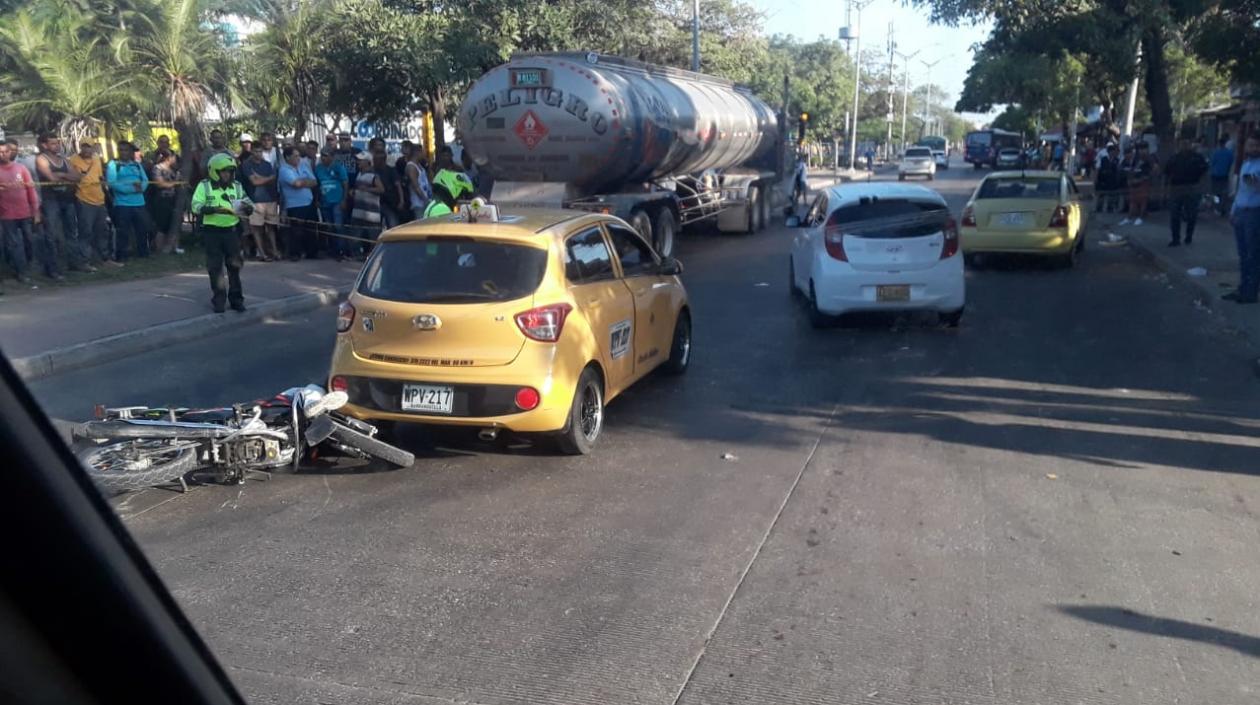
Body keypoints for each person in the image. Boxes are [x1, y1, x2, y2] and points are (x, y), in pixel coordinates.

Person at [190, 153, 253, 313]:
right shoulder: (204, 186)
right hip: (212, 233)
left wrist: (247, 208)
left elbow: (247, 202)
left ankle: (236, 300)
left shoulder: (236, 186)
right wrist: (210, 209)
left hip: (232, 232)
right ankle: (219, 300)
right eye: (224, 171)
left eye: (230, 171)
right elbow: (195, 205)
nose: (227, 174)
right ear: (215, 172)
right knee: (215, 268)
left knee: (235, 267)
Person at [34, 132, 83, 275]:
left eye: (57, 143)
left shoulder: (64, 160)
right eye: (53, 143)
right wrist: (66, 177)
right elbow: (51, 178)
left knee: (71, 233)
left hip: (67, 199)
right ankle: (53, 269)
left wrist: (62, 175)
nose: (57, 146)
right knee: (51, 234)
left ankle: (74, 263)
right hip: (50, 201)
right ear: (45, 145)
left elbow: (78, 177)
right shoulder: (41, 159)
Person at [69, 140, 120, 268]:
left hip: (99, 199)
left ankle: (104, 259)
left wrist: (105, 186)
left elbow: (100, 176)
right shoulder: (73, 160)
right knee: (85, 231)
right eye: (84, 146)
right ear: (81, 147)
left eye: (89, 147)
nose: (87, 149)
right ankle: (84, 261)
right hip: (83, 199)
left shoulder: (96, 159)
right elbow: (73, 178)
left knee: (103, 230)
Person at [0, 140, 43, 288]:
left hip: (25, 213)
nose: (3, 154)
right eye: (0, 152)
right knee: (14, 245)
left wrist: (36, 211)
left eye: (5, 151)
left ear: (10, 152)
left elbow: (31, 190)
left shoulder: (21, 168)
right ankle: (21, 272)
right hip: (6, 215)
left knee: (29, 241)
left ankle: (29, 265)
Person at [1223, 135, 1260, 304]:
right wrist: (1233, 210)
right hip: (1241, 211)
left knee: (1253, 254)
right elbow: (1241, 190)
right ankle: (1243, 288)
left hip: (1255, 213)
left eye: (1256, 145)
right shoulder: (1245, 164)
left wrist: (1256, 183)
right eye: (1250, 145)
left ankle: (1251, 292)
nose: (1253, 148)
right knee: (1243, 253)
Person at [106, 141, 151, 260]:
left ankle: (143, 254)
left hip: (139, 203)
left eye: (126, 150)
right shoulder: (113, 164)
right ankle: (121, 255)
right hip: (122, 204)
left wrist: (141, 188)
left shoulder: (136, 165)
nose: (123, 152)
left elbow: (145, 180)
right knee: (122, 231)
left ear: (130, 152)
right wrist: (131, 189)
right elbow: (112, 183)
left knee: (142, 229)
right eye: (121, 150)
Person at [240, 142, 281, 261]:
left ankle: (274, 251)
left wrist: (261, 178)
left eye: (260, 151)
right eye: (256, 151)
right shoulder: (246, 165)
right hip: (255, 200)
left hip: (270, 198)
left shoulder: (267, 164)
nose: (258, 154)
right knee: (256, 228)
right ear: (251, 151)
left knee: (271, 227)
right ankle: (262, 253)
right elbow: (254, 182)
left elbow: (273, 179)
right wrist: (267, 178)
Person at [1164, 138, 1209, 247]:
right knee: (1175, 214)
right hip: (1178, 188)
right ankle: (1176, 238)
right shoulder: (1175, 158)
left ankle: (1188, 236)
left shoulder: (1197, 158)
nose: (1184, 146)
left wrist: (1200, 184)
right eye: (1182, 144)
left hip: (1191, 187)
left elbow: (1205, 170)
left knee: (1191, 214)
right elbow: (1167, 171)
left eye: (1186, 144)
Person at [278, 145, 319, 261]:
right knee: (296, 231)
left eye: (299, 156)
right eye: (295, 156)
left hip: (309, 202)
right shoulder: (284, 170)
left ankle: (312, 253)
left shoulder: (303, 166)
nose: (298, 158)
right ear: (287, 157)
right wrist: (305, 182)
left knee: (311, 229)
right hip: (295, 204)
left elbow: (314, 182)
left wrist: (302, 182)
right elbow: (296, 184)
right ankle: (295, 253)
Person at [314, 146, 350, 260]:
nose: (323, 158)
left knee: (338, 226)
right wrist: (317, 200)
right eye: (322, 155)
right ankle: (332, 249)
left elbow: (345, 184)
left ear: (332, 156)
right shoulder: (318, 168)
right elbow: (317, 185)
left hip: (337, 201)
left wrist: (344, 200)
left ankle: (341, 250)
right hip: (325, 202)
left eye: (326, 156)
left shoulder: (339, 167)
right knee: (329, 227)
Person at [147, 148, 182, 253]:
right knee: (162, 225)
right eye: (173, 157)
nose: (175, 159)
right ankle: (159, 248)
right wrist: (174, 183)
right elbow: (159, 183)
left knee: (173, 224)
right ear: (168, 158)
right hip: (162, 200)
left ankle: (173, 247)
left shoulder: (173, 169)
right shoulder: (157, 168)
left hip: (173, 200)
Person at [350, 151, 384, 254]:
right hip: (358, 211)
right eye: (358, 160)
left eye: (361, 160)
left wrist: (367, 189)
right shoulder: (359, 174)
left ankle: (373, 255)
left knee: (373, 236)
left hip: (371, 212)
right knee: (355, 235)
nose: (358, 162)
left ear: (368, 162)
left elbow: (381, 189)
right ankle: (357, 254)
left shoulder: (373, 175)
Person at [1119, 143, 1153, 226]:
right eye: (1140, 149)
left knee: (1143, 201)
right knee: (1132, 201)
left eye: (1143, 149)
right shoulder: (1133, 160)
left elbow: (1150, 172)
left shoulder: (1148, 159)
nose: (1141, 151)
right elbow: (1129, 169)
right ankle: (1129, 217)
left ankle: (1140, 217)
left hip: (1143, 182)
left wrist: (1142, 179)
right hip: (1133, 182)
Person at [374, 150, 404, 229]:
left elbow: (398, 186)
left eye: (376, 159)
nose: (374, 161)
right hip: (376, 202)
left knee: (393, 225)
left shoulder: (391, 170)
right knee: (376, 227)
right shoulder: (373, 170)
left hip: (389, 203)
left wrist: (401, 201)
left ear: (382, 160)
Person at [1209, 137, 1235, 217]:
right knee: (1223, 192)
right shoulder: (1229, 153)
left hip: (1215, 175)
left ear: (1219, 144)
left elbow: (1211, 163)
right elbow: (1231, 163)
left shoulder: (1215, 152)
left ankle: (1216, 207)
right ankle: (1222, 207)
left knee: (1215, 192)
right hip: (1224, 175)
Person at [406, 147, 433, 220]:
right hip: (418, 203)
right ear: (417, 153)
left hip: (426, 199)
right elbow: (416, 186)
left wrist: (428, 166)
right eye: (423, 153)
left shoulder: (420, 165)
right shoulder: (411, 167)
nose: (424, 155)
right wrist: (425, 199)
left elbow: (428, 180)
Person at [1095, 144, 1121, 214]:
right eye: (1111, 151)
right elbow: (1098, 169)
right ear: (1108, 152)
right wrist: (1097, 178)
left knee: (1111, 194)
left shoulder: (1116, 160)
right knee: (1102, 194)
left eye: (1113, 151)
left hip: (1112, 180)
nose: (1112, 153)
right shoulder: (1103, 159)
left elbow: (1118, 170)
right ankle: (1099, 208)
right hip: (1103, 179)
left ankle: (1110, 208)